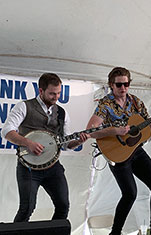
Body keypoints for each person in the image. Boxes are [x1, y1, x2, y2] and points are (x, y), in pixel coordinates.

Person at [86, 66, 151, 235]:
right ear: (111, 85)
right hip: (117, 153)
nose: (123, 88)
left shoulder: (136, 102)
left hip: (136, 151)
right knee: (130, 194)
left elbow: (148, 127)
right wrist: (115, 131)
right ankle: (115, 232)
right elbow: (91, 130)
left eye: (126, 84)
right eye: (119, 85)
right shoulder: (106, 104)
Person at [1, 73, 90, 222]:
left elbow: (67, 144)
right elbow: (6, 131)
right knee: (27, 208)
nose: (56, 97)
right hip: (28, 168)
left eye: (59, 93)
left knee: (63, 206)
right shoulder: (24, 106)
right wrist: (27, 143)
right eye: (52, 93)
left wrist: (80, 141)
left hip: (53, 168)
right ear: (41, 91)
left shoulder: (62, 112)